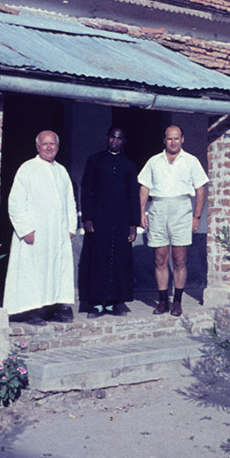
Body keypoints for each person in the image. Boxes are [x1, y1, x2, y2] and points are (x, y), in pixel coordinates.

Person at [3, 130, 77, 325]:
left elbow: (70, 200)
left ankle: (53, 308)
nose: (49, 147)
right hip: (34, 233)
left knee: (56, 270)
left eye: (53, 144)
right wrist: (25, 228)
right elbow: (16, 202)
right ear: (37, 147)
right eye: (45, 144)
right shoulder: (27, 168)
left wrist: (71, 227)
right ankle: (31, 311)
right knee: (32, 271)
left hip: (58, 233)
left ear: (58, 147)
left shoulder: (61, 171)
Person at [138, 125, 208, 317]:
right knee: (160, 258)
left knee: (179, 259)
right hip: (158, 210)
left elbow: (201, 188)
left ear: (182, 139)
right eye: (170, 138)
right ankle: (162, 302)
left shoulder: (191, 161)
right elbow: (144, 187)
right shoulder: (154, 161)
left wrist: (197, 216)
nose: (173, 142)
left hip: (181, 211)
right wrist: (142, 212)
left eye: (177, 138)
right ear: (164, 140)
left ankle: (177, 301)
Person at [77, 126, 141, 319]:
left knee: (119, 260)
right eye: (112, 137)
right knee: (97, 259)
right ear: (107, 138)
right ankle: (96, 303)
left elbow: (133, 195)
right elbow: (86, 189)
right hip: (99, 219)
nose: (115, 141)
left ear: (124, 142)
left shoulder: (129, 165)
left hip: (121, 220)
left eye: (119, 139)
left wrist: (133, 224)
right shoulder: (95, 161)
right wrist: (87, 218)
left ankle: (114, 302)